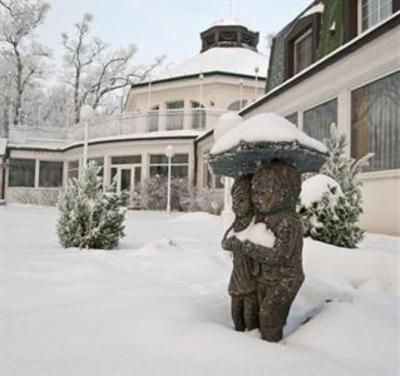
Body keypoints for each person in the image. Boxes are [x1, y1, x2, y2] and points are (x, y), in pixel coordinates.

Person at [222, 174, 259, 331]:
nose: (237, 205)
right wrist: (234, 242)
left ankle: (250, 340)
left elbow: (258, 246)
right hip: (236, 279)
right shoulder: (236, 225)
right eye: (235, 201)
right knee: (236, 314)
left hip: (251, 281)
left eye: (242, 200)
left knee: (250, 316)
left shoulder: (256, 223)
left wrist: (244, 244)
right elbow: (225, 243)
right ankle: (237, 338)